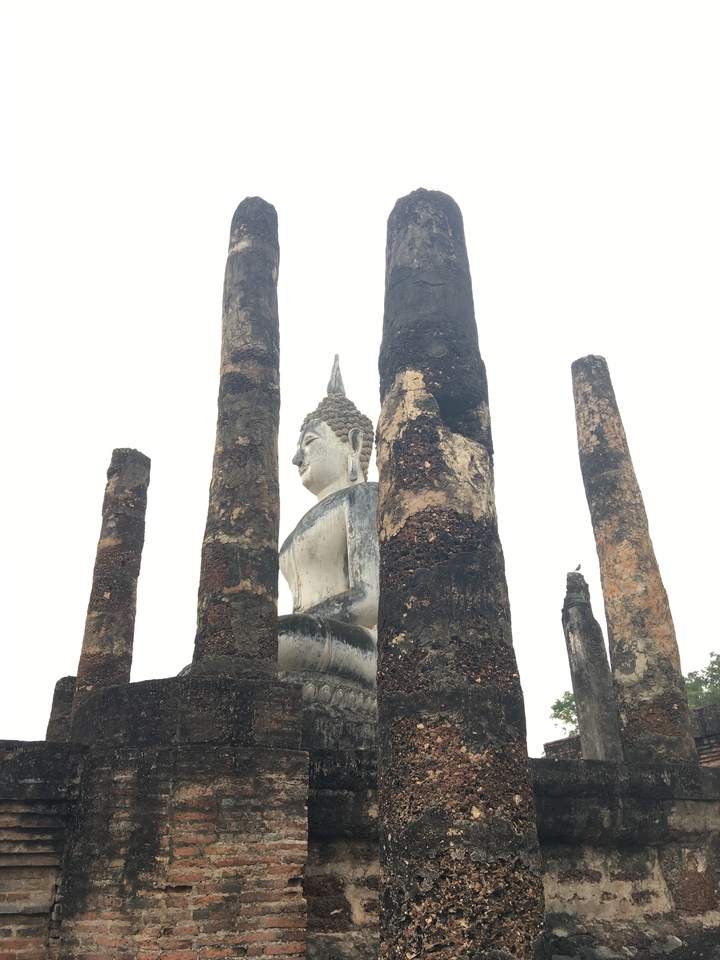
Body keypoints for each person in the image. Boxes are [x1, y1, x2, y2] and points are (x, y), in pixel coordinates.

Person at [278, 357, 378, 687]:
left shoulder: (363, 498)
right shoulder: (299, 526)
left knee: (275, 640)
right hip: (305, 637)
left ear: (353, 444)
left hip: (357, 643)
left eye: (309, 443)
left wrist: (302, 621)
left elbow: (370, 599)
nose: (296, 458)